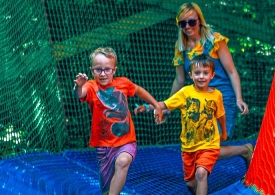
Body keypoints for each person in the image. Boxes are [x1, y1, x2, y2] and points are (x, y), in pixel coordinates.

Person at [169, 2, 253, 168]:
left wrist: (239, 99)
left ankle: (245, 150)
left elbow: (231, 71)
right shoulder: (181, 48)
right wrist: (167, 106)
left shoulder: (214, 40)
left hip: (222, 98)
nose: (187, 26)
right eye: (183, 23)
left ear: (199, 20)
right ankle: (243, 151)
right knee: (199, 149)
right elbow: (179, 80)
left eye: (191, 21)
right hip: (199, 102)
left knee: (210, 148)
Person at [74, 47, 164, 195]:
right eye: (98, 70)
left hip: (126, 141)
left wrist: (156, 105)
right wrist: (78, 85)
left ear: (114, 70)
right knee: (106, 190)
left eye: (107, 69)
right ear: (92, 71)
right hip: (104, 146)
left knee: (122, 162)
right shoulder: (90, 86)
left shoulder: (123, 83)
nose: (103, 73)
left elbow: (139, 90)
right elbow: (79, 94)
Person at [153, 54, 227, 195]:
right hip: (189, 146)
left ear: (212, 75)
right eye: (197, 73)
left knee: (201, 173)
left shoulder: (217, 95)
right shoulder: (185, 92)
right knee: (191, 183)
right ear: (190, 75)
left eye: (205, 73)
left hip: (209, 144)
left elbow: (221, 115)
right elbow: (166, 104)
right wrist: (154, 107)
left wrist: (223, 132)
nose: (201, 76)